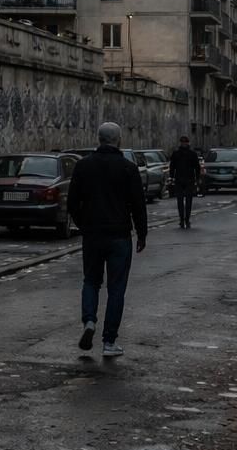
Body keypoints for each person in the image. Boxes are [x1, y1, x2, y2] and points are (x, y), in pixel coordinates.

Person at [67, 122, 148, 358]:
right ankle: (109, 341)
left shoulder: (83, 166)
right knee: (116, 288)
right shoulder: (128, 168)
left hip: (93, 234)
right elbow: (138, 205)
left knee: (91, 281)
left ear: (99, 139)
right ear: (119, 140)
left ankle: (89, 320)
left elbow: (72, 202)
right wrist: (141, 233)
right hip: (119, 234)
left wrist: (84, 224)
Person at [167, 135, 201, 229]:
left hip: (189, 179)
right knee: (180, 201)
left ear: (187, 143)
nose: (184, 144)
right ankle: (182, 219)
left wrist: (197, 178)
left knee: (188, 201)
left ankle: (187, 219)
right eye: (182, 142)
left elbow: (197, 167)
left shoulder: (192, 154)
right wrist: (171, 177)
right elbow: (172, 166)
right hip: (179, 179)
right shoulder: (176, 154)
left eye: (185, 142)